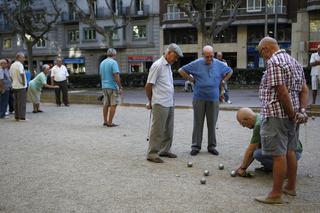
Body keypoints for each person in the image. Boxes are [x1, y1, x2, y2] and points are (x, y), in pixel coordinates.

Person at [255, 37, 309, 204]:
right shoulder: (295, 62)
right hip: (291, 114)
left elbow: (282, 91)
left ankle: (275, 194)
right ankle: (290, 187)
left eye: (261, 53)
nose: (263, 57)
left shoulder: (274, 62)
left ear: (266, 49)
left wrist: (292, 113)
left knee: (278, 155)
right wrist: (301, 111)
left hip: (277, 114)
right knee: (290, 150)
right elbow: (304, 90)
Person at [178, 45, 233, 156]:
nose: (209, 59)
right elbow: (181, 70)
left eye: (211, 56)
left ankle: (211, 146)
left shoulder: (219, 64)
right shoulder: (197, 63)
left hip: (213, 98)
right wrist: (191, 79)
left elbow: (230, 71)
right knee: (198, 123)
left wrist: (223, 81)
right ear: (202, 55)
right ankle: (196, 146)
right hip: (199, 98)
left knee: (212, 123)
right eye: (207, 57)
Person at [145, 43, 183, 163]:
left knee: (168, 129)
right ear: (168, 53)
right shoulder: (158, 65)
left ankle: (164, 150)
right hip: (160, 102)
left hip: (169, 102)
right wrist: (150, 101)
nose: (176, 59)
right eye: (175, 56)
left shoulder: (168, 66)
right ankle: (152, 153)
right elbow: (148, 85)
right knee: (157, 129)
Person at [235, 107, 302, 175]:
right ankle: (273, 167)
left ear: (248, 119)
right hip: (294, 150)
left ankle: (284, 169)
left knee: (257, 154)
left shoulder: (258, 125)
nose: (243, 126)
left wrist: (242, 168)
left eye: (242, 123)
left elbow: (250, 150)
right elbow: (256, 148)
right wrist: (244, 167)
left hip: (293, 153)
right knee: (259, 151)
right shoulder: (260, 117)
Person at [99, 48, 123, 127]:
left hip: (104, 86)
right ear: (114, 54)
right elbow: (116, 75)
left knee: (106, 104)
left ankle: (105, 121)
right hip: (112, 86)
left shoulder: (102, 62)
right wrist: (120, 87)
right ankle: (110, 122)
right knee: (113, 104)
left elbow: (101, 75)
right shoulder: (113, 62)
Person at [9, 52, 27, 121]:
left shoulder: (12, 65)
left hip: (14, 85)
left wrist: (14, 81)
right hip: (21, 86)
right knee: (22, 102)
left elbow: (10, 76)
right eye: (23, 57)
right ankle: (22, 117)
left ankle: (16, 116)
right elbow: (22, 73)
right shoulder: (20, 65)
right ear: (19, 57)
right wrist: (23, 82)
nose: (24, 59)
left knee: (16, 102)